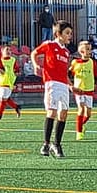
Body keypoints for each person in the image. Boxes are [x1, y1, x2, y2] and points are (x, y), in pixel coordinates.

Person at [31, 20, 73, 157]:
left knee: (63, 113)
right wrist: (36, 65)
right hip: (52, 84)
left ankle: (57, 144)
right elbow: (34, 53)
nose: (70, 36)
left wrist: (70, 85)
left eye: (70, 33)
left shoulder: (66, 52)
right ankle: (46, 144)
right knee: (52, 112)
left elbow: (64, 72)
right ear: (58, 34)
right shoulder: (49, 45)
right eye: (67, 33)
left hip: (63, 85)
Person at [70, 40, 97, 140]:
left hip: (89, 89)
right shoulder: (75, 63)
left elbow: (94, 75)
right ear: (81, 52)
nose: (90, 51)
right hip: (79, 90)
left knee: (88, 114)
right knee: (81, 109)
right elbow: (69, 74)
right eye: (88, 49)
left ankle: (81, 125)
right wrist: (71, 85)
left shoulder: (92, 62)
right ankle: (79, 132)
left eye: (90, 49)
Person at [0, 45, 22, 121]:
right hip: (1, 81)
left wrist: (17, 73)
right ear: (2, 51)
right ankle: (16, 107)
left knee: (3, 98)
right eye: (7, 50)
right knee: (5, 98)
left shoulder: (13, 60)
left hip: (9, 82)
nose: (9, 51)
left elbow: (16, 69)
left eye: (10, 50)